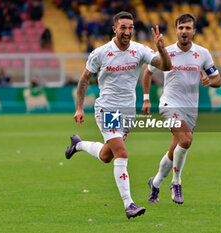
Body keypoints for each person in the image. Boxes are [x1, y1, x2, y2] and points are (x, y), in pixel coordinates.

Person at [64, 11, 171, 219]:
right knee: (121, 153)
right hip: (108, 109)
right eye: (123, 28)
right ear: (115, 29)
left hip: (128, 112)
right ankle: (128, 204)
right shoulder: (101, 53)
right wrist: (79, 108)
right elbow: (85, 79)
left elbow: (166, 66)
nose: (127, 32)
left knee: (107, 156)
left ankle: (77, 144)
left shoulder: (139, 50)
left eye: (130, 28)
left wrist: (162, 49)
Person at [142, 14, 221, 204]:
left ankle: (156, 183)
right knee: (186, 140)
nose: (184, 31)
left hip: (190, 109)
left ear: (194, 31)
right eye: (181, 28)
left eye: (188, 28)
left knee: (176, 149)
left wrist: (209, 81)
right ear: (176, 30)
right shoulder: (165, 51)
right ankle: (176, 183)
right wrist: (146, 99)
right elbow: (147, 73)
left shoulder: (203, 53)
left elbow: (218, 80)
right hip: (169, 104)